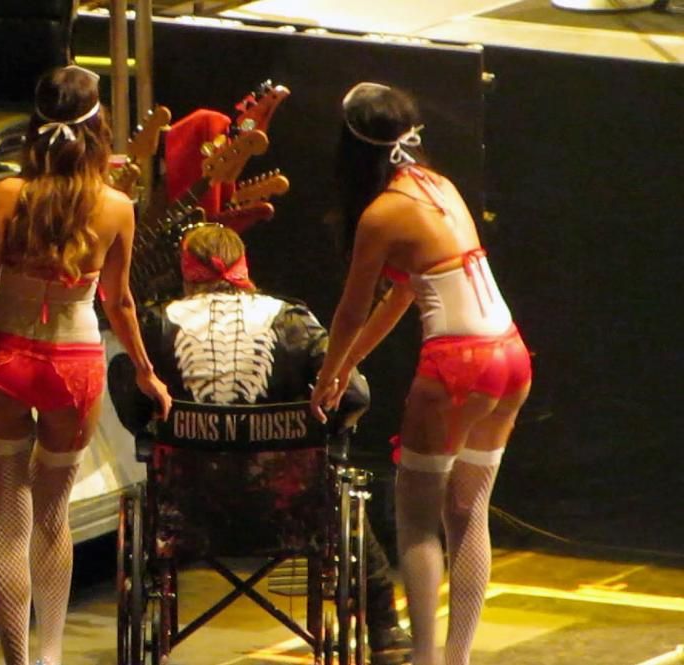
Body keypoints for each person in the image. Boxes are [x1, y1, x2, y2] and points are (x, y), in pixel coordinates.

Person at [0, 65, 172, 665]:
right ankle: (51, 656)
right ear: (98, 129)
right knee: (53, 517)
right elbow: (119, 301)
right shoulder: (116, 206)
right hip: (74, 367)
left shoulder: (8, 195)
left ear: (34, 126)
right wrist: (145, 370)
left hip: (3, 362)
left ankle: (17, 662)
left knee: (8, 523)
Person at [112, 223, 412, 665]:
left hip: (186, 511)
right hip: (291, 511)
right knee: (337, 492)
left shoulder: (154, 324)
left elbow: (133, 402)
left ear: (186, 271)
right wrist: (330, 431)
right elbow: (354, 394)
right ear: (243, 265)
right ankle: (385, 630)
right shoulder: (292, 320)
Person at [310, 82, 532, 665]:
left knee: (415, 517)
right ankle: (456, 659)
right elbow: (403, 296)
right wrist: (349, 363)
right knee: (468, 511)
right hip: (510, 355)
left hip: (458, 363)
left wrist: (328, 373)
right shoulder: (441, 186)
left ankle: (427, 659)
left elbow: (352, 309)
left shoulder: (381, 213)